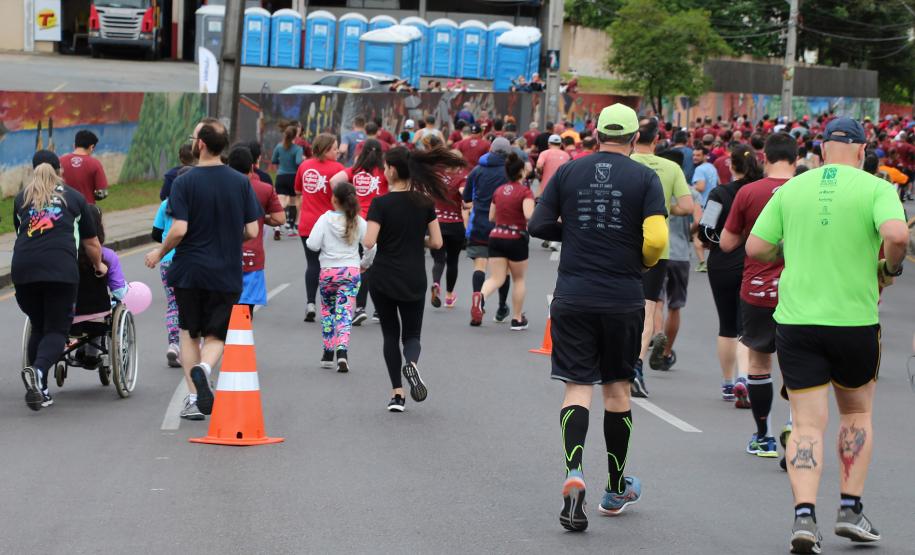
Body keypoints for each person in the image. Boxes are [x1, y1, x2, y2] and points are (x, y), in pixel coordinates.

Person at [746, 117, 908, 554]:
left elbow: (756, 247)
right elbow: (896, 234)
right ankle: (850, 509)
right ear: (862, 150)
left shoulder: (792, 188)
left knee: (806, 423)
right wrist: (890, 268)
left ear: (820, 149)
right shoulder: (876, 188)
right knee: (855, 414)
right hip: (854, 321)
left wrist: (792, 249)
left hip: (797, 321)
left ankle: (804, 517)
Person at [529, 103, 668, 532]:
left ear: (596, 134)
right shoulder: (645, 178)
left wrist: (574, 232)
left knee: (577, 387)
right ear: (634, 139)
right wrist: (642, 260)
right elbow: (657, 239)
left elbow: (538, 224)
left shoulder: (569, 172)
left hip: (573, 295)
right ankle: (614, 487)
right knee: (617, 391)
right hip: (622, 297)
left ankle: (574, 472)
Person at [144, 119, 262, 421]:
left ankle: (195, 399)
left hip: (189, 271)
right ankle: (205, 369)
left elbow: (179, 229)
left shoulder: (183, 182)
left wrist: (159, 252)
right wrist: (227, 237)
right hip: (226, 271)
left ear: (201, 144)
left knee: (188, 332)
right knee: (216, 334)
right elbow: (251, 230)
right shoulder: (240, 182)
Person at [363, 146, 464, 412]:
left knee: (389, 334)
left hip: (384, 277)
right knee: (412, 335)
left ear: (392, 171)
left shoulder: (380, 204)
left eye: (386, 167)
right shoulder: (425, 203)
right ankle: (412, 364)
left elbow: (369, 241)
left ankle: (397, 394)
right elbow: (437, 242)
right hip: (414, 276)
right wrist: (416, 238)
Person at [720, 133, 796, 457]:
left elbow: (727, 242)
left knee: (759, 362)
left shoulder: (749, 192)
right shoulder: (806, 190)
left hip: (758, 288)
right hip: (800, 290)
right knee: (799, 365)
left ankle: (763, 437)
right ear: (796, 158)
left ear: (764, 157)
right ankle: (795, 428)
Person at [15, 151, 107, 411]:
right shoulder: (75, 198)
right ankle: (38, 372)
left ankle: (40, 389)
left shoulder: (22, 199)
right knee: (57, 330)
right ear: (60, 171)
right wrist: (99, 265)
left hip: (23, 270)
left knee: (39, 326)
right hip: (60, 271)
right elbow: (91, 242)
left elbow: (22, 232)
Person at [630, 117, 693, 397]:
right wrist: (664, 207)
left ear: (634, 137)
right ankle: (636, 366)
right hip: (657, 247)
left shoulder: (626, 162)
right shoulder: (671, 168)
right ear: (656, 139)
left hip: (622, 244)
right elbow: (687, 206)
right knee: (646, 308)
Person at [699, 145, 761, 404]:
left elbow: (705, 230)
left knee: (726, 326)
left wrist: (715, 241)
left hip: (722, 263)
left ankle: (727, 382)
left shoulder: (719, 194)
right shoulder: (760, 192)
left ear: (731, 166)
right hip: (755, 262)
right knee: (747, 326)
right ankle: (745, 377)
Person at [307, 182, 375, 373]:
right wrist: (364, 264)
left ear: (334, 199)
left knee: (328, 311)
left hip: (328, 271)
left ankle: (328, 352)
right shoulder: (359, 221)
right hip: (351, 271)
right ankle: (342, 352)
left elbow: (312, 244)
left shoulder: (324, 219)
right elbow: (371, 246)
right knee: (344, 313)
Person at [329, 138, 389, 325]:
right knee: (379, 264)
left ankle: (360, 308)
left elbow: (334, 181)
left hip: (358, 221)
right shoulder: (383, 172)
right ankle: (379, 310)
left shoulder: (354, 171)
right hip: (379, 221)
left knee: (361, 265)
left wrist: (345, 202)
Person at [474, 152, 535, 330]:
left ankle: (480, 298)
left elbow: (491, 217)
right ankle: (517, 319)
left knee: (496, 278)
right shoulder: (525, 192)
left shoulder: (498, 191)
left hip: (496, 236)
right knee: (519, 279)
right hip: (516, 237)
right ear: (521, 172)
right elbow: (528, 215)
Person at [228, 145, 285, 317]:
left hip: (222, 257)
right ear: (252, 166)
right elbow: (279, 219)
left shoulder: (219, 186)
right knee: (244, 313)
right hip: (251, 257)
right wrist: (260, 217)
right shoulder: (264, 188)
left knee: (220, 312)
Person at [464, 138, 514, 326]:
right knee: (503, 269)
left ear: (491, 150)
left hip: (478, 225)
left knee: (480, 265)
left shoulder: (476, 171)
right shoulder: (509, 172)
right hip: (502, 226)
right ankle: (501, 308)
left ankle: (478, 300)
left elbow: (466, 197)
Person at [296, 133, 345, 323]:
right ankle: (330, 306)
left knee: (312, 264)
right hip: (330, 224)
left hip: (307, 223)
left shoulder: (304, 166)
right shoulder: (338, 169)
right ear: (325, 150)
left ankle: (310, 303)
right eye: (334, 148)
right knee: (331, 265)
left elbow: (298, 190)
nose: (338, 152)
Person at [430, 141, 468, 309]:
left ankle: (436, 283)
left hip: (437, 224)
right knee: (453, 261)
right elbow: (464, 195)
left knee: (439, 260)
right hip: (455, 224)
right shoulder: (462, 179)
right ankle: (449, 296)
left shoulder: (436, 178)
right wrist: (466, 202)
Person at [271, 125, 304, 240]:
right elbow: (298, 162)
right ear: (295, 136)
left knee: (281, 202)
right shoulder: (298, 149)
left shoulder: (279, 146)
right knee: (293, 201)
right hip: (293, 177)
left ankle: (277, 226)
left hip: (281, 177)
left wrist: (282, 161)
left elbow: (273, 160)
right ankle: (291, 226)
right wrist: (303, 159)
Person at [59, 129, 109, 204]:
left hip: (65, 207)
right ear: (91, 147)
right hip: (87, 207)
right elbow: (102, 193)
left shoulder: (59, 161)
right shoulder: (95, 163)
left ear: (74, 145)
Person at [692, 146, 719, 271]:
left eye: (698, 155)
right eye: (694, 155)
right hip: (713, 205)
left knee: (697, 235)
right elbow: (718, 183)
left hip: (702, 205)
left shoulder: (699, 169)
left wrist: (688, 187)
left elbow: (701, 187)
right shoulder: (712, 167)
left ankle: (703, 263)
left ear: (705, 156)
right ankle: (713, 262)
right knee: (711, 235)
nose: (695, 158)